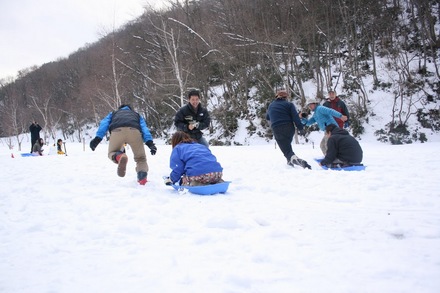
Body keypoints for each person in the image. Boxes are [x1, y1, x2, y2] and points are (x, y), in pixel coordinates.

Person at [89, 104, 157, 185]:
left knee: (112, 153)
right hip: (134, 131)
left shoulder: (113, 113)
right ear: (130, 109)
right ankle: (142, 179)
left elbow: (104, 124)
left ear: (119, 109)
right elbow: (144, 128)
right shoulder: (136, 115)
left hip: (117, 131)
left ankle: (119, 156)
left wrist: (98, 138)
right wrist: (150, 143)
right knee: (141, 158)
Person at [265, 90, 311, 169]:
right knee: (287, 146)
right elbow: (295, 117)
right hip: (289, 128)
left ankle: (295, 160)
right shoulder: (289, 104)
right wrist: (301, 128)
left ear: (277, 97)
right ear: (286, 97)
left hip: (277, 128)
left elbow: (267, 117)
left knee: (286, 149)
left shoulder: (271, 105)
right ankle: (289, 162)